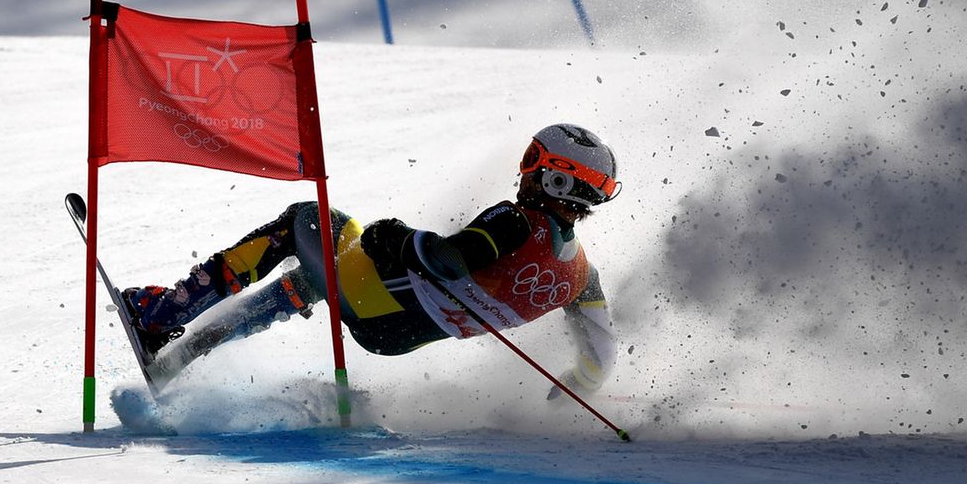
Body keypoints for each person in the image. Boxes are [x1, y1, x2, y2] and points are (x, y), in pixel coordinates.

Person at [124, 123, 621, 392]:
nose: (524, 172)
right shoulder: (581, 276)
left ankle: (162, 315)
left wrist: (397, 238)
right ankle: (185, 355)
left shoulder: (517, 220)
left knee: (304, 220)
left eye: (533, 161)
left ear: (557, 178)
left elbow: (449, 261)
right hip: (396, 335)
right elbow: (600, 358)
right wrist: (573, 390)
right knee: (319, 272)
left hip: (376, 295)